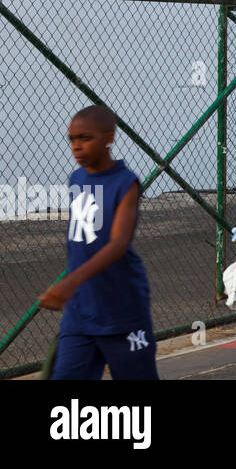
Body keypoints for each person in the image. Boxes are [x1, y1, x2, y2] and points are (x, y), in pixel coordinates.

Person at [39, 105, 158, 381]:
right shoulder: (76, 179)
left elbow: (118, 244)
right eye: (72, 139)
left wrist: (68, 283)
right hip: (80, 315)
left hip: (123, 314)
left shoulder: (126, 183)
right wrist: (74, 288)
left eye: (85, 138)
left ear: (109, 137)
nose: (77, 146)